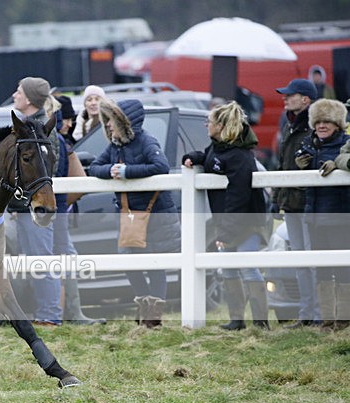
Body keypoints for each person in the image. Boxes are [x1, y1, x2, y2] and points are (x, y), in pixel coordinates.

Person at [89, 99, 179, 327]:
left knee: (154, 264)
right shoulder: (115, 146)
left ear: (123, 122)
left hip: (155, 213)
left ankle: (153, 317)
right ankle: (145, 306)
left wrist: (128, 172)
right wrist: (111, 170)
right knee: (129, 262)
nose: (108, 125)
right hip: (130, 216)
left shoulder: (146, 141)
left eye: (111, 120)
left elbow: (161, 166)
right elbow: (94, 167)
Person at [183, 101, 269, 330]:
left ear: (220, 126)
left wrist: (226, 231)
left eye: (209, 122)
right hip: (227, 220)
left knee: (248, 266)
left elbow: (238, 196)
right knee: (228, 267)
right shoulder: (217, 147)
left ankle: (261, 323)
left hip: (246, 220)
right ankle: (237, 320)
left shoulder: (240, 156)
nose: (206, 125)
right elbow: (209, 158)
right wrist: (194, 157)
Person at [9, 76, 63, 326]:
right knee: (33, 262)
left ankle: (50, 315)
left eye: (19, 92)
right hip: (23, 207)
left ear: (29, 99)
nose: (15, 95)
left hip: (36, 207)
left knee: (41, 260)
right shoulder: (30, 126)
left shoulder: (41, 130)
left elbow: (45, 173)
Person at [296, 98, 350, 331]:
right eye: (318, 122)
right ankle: (327, 321)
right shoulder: (308, 145)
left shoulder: (346, 145)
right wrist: (300, 166)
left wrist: (338, 164)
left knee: (343, 268)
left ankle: (344, 320)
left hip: (340, 216)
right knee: (322, 269)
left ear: (338, 124)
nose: (321, 126)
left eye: (327, 121)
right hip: (314, 217)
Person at [270, 78, 320, 328]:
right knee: (301, 261)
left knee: (313, 261)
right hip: (292, 203)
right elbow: (283, 167)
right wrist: (277, 198)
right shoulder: (290, 125)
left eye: (290, 95)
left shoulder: (315, 127)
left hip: (309, 204)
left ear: (305, 99)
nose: (285, 98)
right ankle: (307, 314)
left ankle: (318, 314)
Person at [52, 97, 106, 326]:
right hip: (55, 214)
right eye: (65, 119)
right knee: (65, 258)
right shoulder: (59, 143)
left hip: (56, 214)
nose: (69, 123)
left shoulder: (63, 143)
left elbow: (79, 184)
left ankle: (70, 312)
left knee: (65, 258)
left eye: (70, 119)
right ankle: (70, 313)